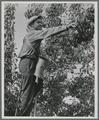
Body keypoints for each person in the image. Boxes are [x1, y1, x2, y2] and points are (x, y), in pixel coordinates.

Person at [16, 15, 73, 116]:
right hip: (27, 62)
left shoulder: (32, 36)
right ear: (32, 25)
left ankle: (25, 111)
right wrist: (66, 27)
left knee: (37, 86)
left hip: (30, 62)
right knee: (28, 91)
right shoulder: (33, 34)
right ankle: (22, 115)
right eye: (38, 22)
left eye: (41, 22)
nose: (41, 24)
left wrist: (46, 58)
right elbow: (49, 31)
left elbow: (37, 50)